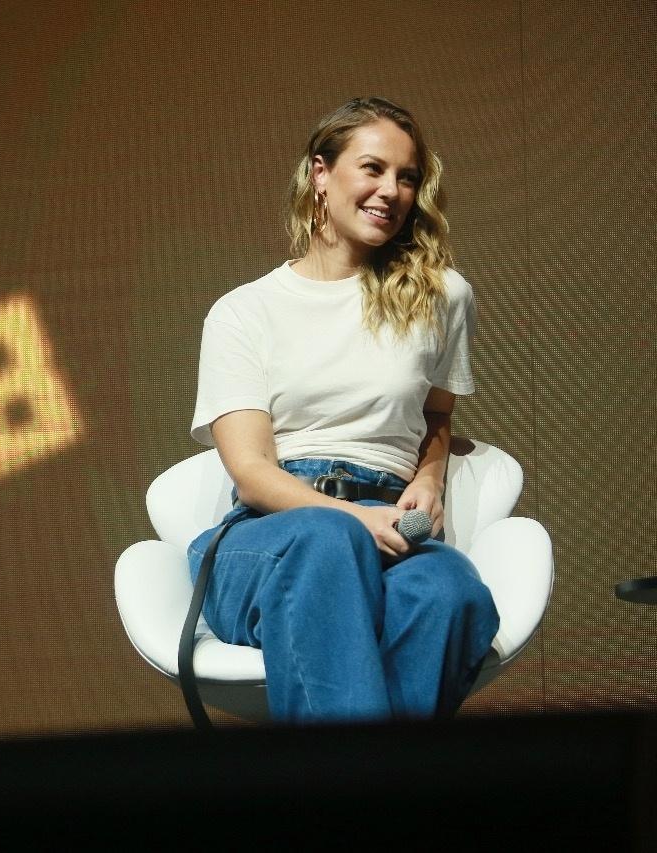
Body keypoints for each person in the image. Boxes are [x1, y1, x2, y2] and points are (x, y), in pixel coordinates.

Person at [188, 96, 500, 723]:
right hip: (273, 535)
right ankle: (346, 800)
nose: (392, 190)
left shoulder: (442, 296)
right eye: (373, 169)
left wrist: (430, 477)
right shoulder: (244, 311)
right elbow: (252, 473)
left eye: (407, 177)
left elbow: (437, 417)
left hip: (387, 523)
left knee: (450, 592)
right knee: (327, 543)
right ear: (320, 174)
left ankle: (371, 796)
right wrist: (354, 522)